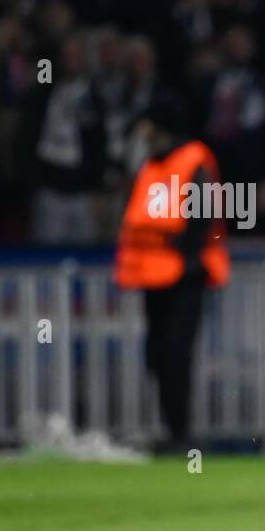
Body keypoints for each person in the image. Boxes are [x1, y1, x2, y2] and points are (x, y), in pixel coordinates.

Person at [114, 90, 230, 452]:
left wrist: (187, 259)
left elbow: (201, 216)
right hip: (152, 275)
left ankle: (180, 433)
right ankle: (171, 429)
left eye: (148, 125)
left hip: (185, 274)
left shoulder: (193, 159)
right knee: (158, 354)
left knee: (177, 353)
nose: (143, 131)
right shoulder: (151, 165)